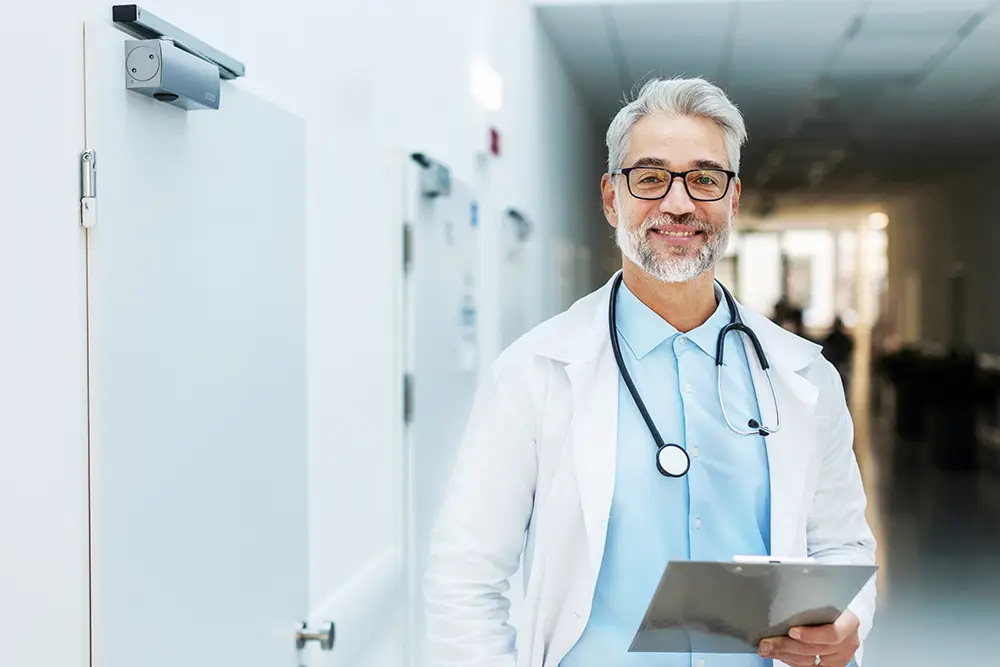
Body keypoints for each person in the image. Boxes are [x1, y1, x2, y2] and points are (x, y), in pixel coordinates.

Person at [423, 77, 877, 667]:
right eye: (651, 176)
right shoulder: (535, 373)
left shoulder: (805, 378)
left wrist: (849, 621)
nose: (680, 203)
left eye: (706, 178)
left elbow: (843, 545)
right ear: (613, 198)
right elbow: (466, 577)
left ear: (733, 201)